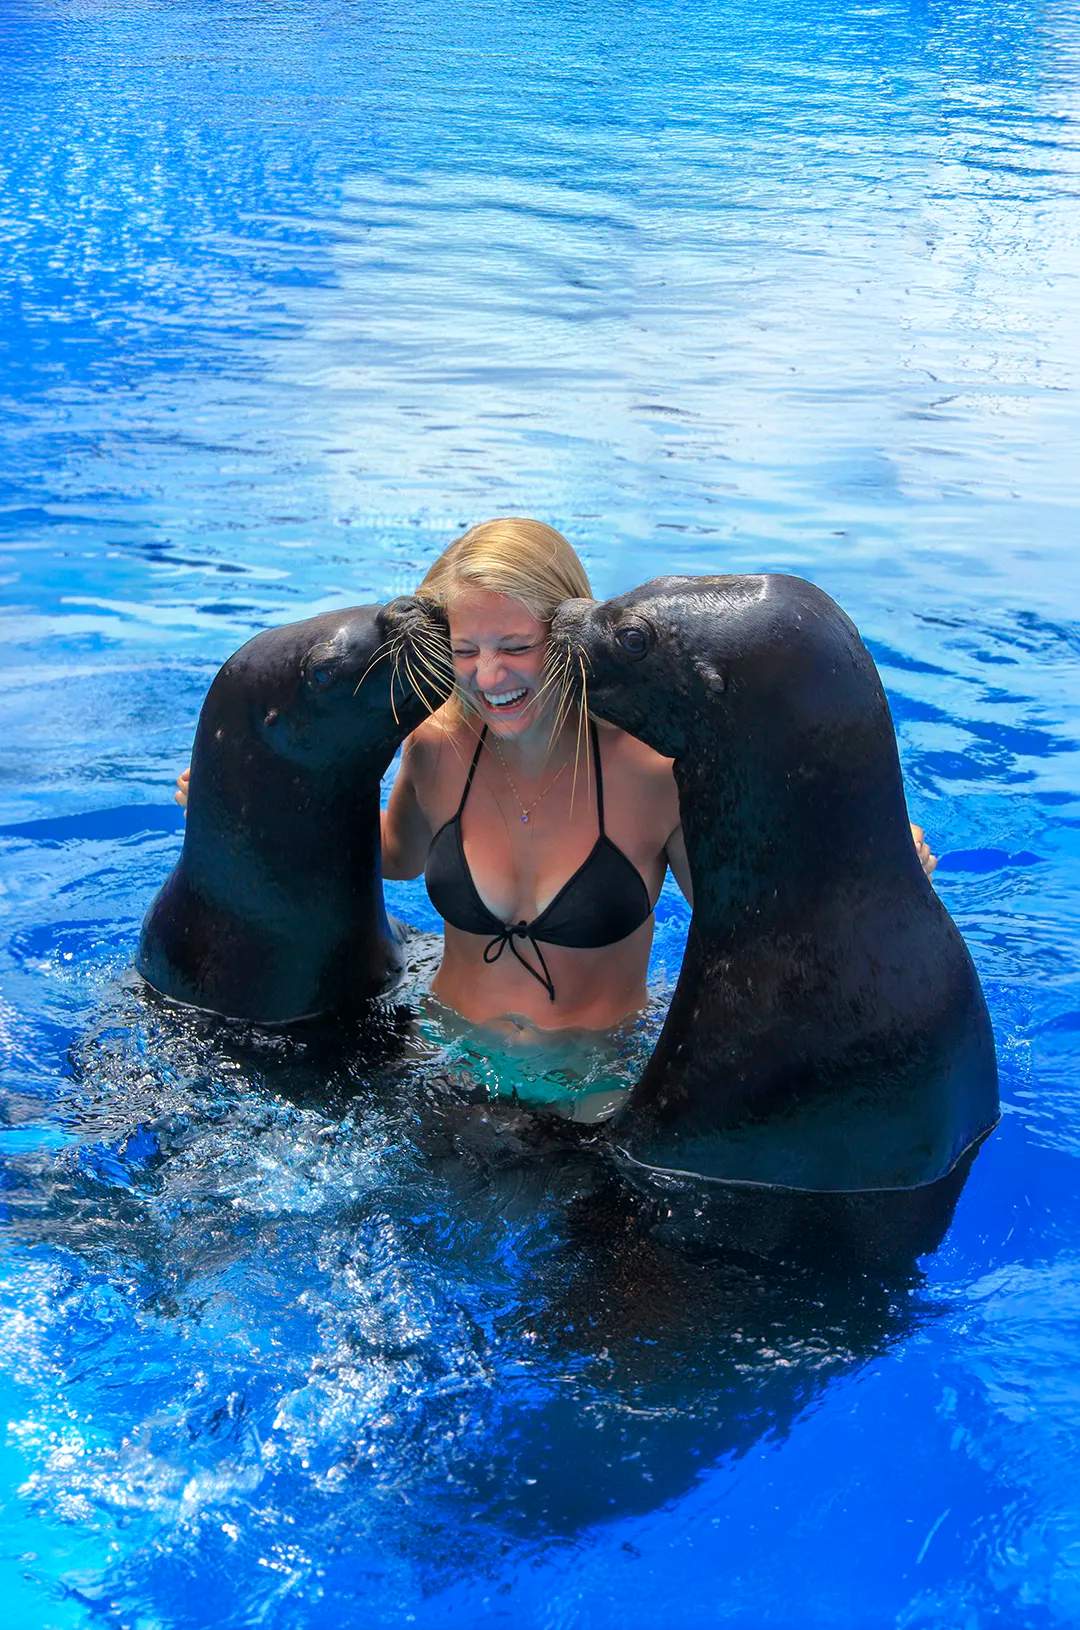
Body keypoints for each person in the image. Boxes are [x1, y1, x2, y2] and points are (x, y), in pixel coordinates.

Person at [175, 518, 938, 1035]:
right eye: (466, 651)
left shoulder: (651, 772)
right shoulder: (440, 751)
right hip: (443, 1063)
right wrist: (251, 813)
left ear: (565, 630)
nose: (490, 675)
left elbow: (742, 913)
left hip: (597, 1091)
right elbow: (394, 857)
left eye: (516, 645)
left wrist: (852, 864)